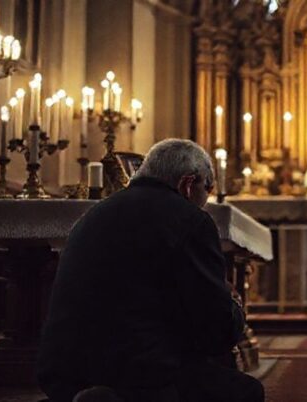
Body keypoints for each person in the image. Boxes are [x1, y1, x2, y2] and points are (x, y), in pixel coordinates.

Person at [38, 139, 264, 402]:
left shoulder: (93, 214)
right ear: (188, 184)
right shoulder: (191, 220)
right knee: (247, 391)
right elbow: (215, 331)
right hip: (140, 372)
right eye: (207, 188)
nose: (206, 200)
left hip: (63, 371)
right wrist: (234, 306)